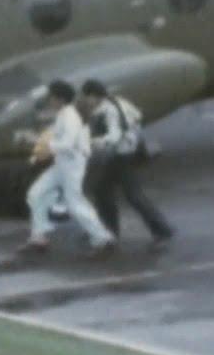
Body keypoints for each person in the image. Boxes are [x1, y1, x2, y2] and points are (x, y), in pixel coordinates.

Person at [18, 80, 115, 257]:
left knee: (75, 203)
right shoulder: (65, 113)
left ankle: (103, 239)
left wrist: (47, 147)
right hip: (63, 164)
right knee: (36, 193)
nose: (49, 100)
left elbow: (68, 144)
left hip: (72, 165)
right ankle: (38, 238)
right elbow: (53, 135)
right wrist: (33, 139)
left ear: (59, 98)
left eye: (51, 97)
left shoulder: (70, 116)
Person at [81, 80, 173, 249]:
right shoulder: (118, 103)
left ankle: (112, 232)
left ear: (94, 95)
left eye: (88, 96)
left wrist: (93, 141)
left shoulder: (109, 111)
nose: (87, 100)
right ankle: (160, 230)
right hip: (125, 154)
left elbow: (114, 137)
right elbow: (137, 117)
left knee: (110, 194)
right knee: (116, 194)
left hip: (117, 156)